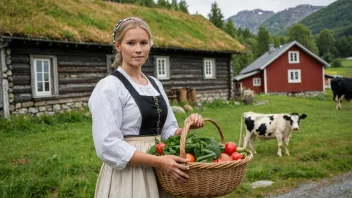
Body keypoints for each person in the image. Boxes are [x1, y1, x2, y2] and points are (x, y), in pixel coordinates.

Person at [88, 17, 205, 198]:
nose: (138, 49)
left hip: (164, 169)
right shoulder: (109, 87)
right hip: (130, 173)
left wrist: (187, 128)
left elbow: (166, 130)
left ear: (150, 45)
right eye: (131, 43)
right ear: (118, 46)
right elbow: (107, 145)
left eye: (144, 43)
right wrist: (157, 162)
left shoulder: (155, 84)